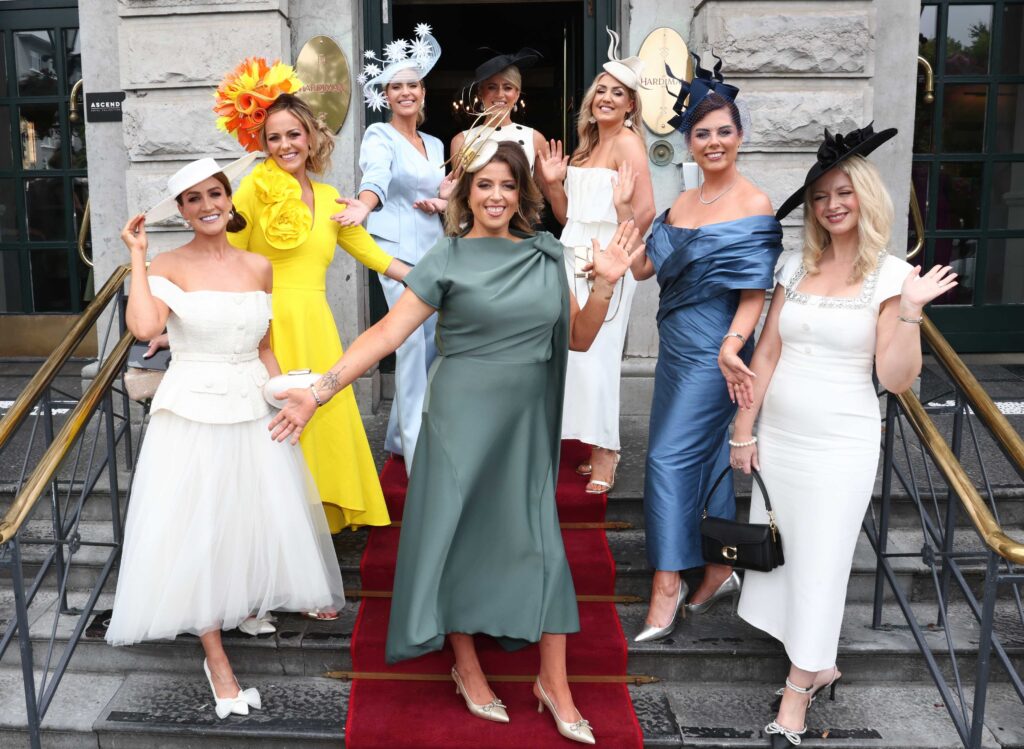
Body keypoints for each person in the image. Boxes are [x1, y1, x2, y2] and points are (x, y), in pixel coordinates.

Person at [270, 141, 643, 745]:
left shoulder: (547, 256)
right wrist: (321, 389)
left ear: (522, 195)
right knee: (456, 536)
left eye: (506, 185)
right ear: (465, 195)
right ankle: (466, 664)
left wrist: (603, 285)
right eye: (483, 185)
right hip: (459, 418)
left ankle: (555, 684)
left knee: (542, 545)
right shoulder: (445, 257)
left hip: (524, 424)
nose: (495, 196)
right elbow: (389, 332)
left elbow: (577, 338)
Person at [730, 124, 957, 747]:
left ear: (865, 197)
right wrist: (744, 431)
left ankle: (796, 698)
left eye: (843, 194)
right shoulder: (795, 266)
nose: (832, 206)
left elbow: (895, 376)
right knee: (789, 561)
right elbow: (768, 351)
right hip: (780, 434)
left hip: (841, 441)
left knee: (824, 563)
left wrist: (910, 309)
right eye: (822, 196)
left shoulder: (889, 276)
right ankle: (820, 663)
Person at [106, 157, 345, 719]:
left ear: (229, 200)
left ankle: (243, 603)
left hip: (251, 404)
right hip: (193, 411)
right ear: (183, 211)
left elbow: (263, 346)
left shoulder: (259, 266)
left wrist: (289, 393)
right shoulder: (166, 263)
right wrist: (137, 257)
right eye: (193, 199)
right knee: (200, 527)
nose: (208, 205)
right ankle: (216, 659)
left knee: (249, 516)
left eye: (215, 194)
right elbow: (143, 328)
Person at [213, 57, 403, 537]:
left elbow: (375, 255)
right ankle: (272, 550)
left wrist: (434, 280)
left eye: (293, 134)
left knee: (321, 434)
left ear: (311, 137)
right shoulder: (253, 191)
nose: (284, 146)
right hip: (267, 331)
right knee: (272, 437)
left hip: (315, 327)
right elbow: (224, 260)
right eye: (273, 137)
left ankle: (311, 549)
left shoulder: (331, 196)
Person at [628, 54, 782, 643]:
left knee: (666, 459)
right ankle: (720, 566)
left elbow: (754, 293)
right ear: (688, 143)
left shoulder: (755, 203)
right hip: (675, 351)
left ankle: (667, 582)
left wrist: (730, 347)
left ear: (739, 137)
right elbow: (644, 268)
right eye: (702, 133)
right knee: (705, 457)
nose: (713, 142)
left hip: (717, 352)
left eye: (723, 131)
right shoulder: (681, 206)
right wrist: (624, 227)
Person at [537, 28, 655, 494]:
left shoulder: (627, 142)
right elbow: (569, 216)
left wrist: (614, 255)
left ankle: (607, 449)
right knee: (574, 354)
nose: (607, 98)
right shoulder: (585, 149)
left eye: (618, 93)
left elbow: (644, 211)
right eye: (601, 90)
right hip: (571, 255)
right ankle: (590, 443)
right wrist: (551, 184)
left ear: (630, 106)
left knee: (601, 357)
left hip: (609, 260)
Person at [335, 23, 447, 474]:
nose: (404, 92)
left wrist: (447, 193)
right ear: (385, 94)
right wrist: (365, 206)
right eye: (395, 86)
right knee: (409, 341)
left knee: (432, 342)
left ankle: (402, 434)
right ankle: (418, 449)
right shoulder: (379, 137)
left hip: (435, 248)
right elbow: (375, 177)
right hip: (396, 252)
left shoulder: (435, 142)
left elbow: (439, 193)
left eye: (412, 85)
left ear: (423, 92)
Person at [451, 47, 547, 174]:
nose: (500, 94)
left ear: (517, 94)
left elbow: (545, 190)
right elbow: (459, 190)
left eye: (508, 87)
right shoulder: (462, 140)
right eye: (492, 87)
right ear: (480, 93)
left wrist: (555, 181)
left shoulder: (535, 138)